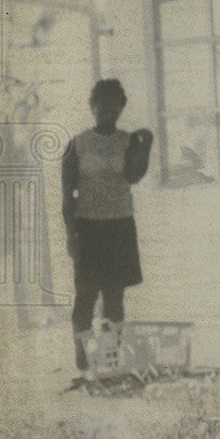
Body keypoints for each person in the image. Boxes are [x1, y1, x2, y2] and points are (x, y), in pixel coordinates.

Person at [62, 79, 153, 378]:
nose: (107, 111)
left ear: (121, 108)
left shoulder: (127, 141)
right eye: (102, 104)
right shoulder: (77, 144)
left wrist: (145, 147)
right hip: (88, 228)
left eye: (114, 105)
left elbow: (134, 176)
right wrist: (71, 234)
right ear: (92, 107)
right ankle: (82, 353)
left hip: (119, 226)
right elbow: (66, 195)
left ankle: (110, 359)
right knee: (85, 296)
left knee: (114, 298)